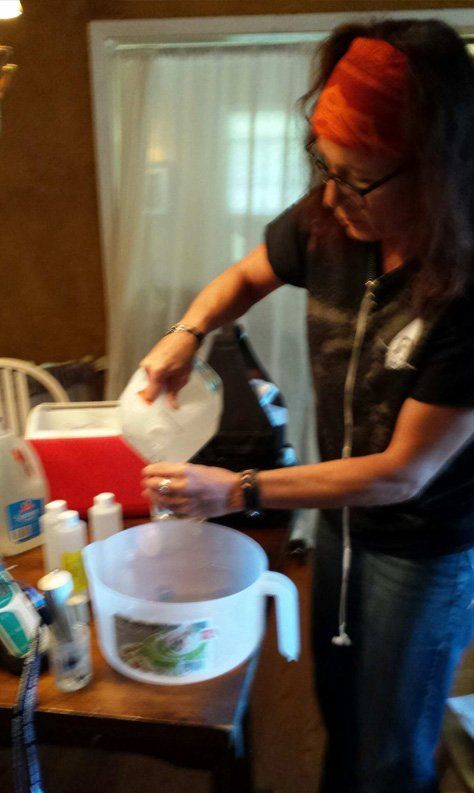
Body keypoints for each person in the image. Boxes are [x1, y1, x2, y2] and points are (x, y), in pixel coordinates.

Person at [140, 18, 474, 793]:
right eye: (323, 167)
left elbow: (400, 474)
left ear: (434, 170)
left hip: (421, 549)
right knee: (340, 708)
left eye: (356, 177)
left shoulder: (465, 285)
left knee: (392, 751)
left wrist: (239, 489)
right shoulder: (335, 216)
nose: (330, 195)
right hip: (340, 525)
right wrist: (189, 330)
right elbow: (244, 278)